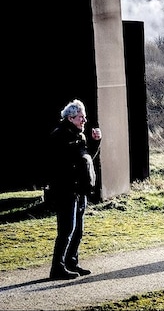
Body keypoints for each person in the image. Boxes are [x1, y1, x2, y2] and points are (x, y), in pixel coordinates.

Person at [46, 99, 102, 280]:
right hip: (65, 190)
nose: (84, 120)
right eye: (81, 117)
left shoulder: (80, 135)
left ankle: (71, 261)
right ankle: (57, 268)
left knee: (78, 230)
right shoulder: (59, 136)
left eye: (84, 117)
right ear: (70, 118)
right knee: (66, 231)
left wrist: (95, 143)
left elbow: (86, 159)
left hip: (80, 190)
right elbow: (58, 164)